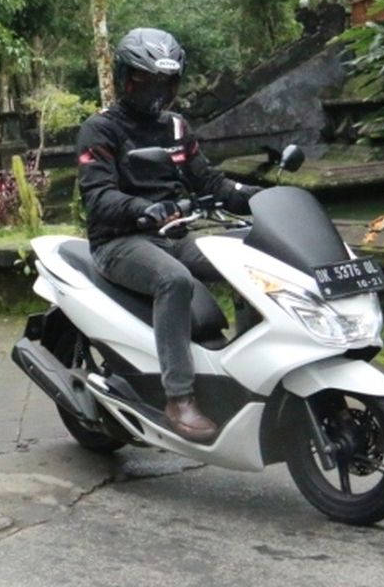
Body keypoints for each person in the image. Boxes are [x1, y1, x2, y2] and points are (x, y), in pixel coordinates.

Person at [76, 28, 261, 443]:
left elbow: (207, 181)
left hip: (177, 232)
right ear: (127, 79)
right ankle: (178, 396)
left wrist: (255, 197)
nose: (156, 93)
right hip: (120, 241)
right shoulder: (100, 129)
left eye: (165, 83)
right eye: (147, 82)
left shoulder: (176, 127)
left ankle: (250, 370)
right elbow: (99, 197)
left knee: (252, 255)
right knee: (173, 279)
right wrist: (143, 208)